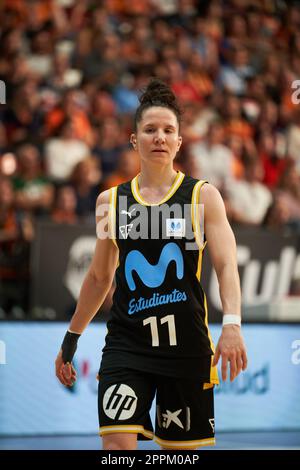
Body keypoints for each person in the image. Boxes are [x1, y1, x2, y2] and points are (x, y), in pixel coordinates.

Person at [55, 78, 247, 450]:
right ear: (134, 140)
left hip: (187, 348)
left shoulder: (203, 196)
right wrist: (70, 338)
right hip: (127, 346)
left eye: (168, 130)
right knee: (118, 450)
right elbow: (98, 277)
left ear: (179, 141)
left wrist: (233, 325)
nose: (159, 137)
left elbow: (226, 265)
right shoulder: (110, 202)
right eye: (150, 130)